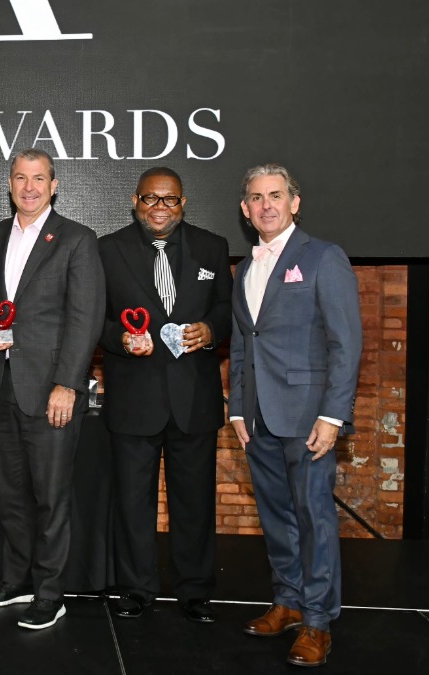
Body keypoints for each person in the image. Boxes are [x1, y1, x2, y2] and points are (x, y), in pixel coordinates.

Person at [0, 148, 104, 630]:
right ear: (9, 183)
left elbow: (85, 321)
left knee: (50, 497)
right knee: (10, 496)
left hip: (50, 394)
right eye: (20, 178)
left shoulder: (77, 240)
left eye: (38, 179)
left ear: (54, 184)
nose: (29, 187)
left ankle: (50, 593)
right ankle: (15, 580)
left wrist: (67, 385)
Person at [229, 164, 361, 667]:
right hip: (258, 418)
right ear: (245, 209)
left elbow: (345, 344)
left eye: (276, 195)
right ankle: (286, 602)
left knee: (314, 518)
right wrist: (238, 409)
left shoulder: (324, 257)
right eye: (257, 198)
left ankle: (319, 622)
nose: (267, 205)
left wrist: (333, 416)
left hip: (308, 418)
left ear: (294, 202)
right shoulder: (245, 267)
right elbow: (245, 343)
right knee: (277, 518)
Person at [97, 167, 231, 623]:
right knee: (132, 502)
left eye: (169, 199)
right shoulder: (108, 250)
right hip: (134, 397)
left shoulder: (213, 247)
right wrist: (121, 341)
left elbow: (227, 311)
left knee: (194, 501)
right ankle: (135, 589)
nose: (159, 207)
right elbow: (95, 320)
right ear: (135, 201)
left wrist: (211, 330)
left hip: (194, 398)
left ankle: (194, 591)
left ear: (183, 202)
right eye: (150, 199)